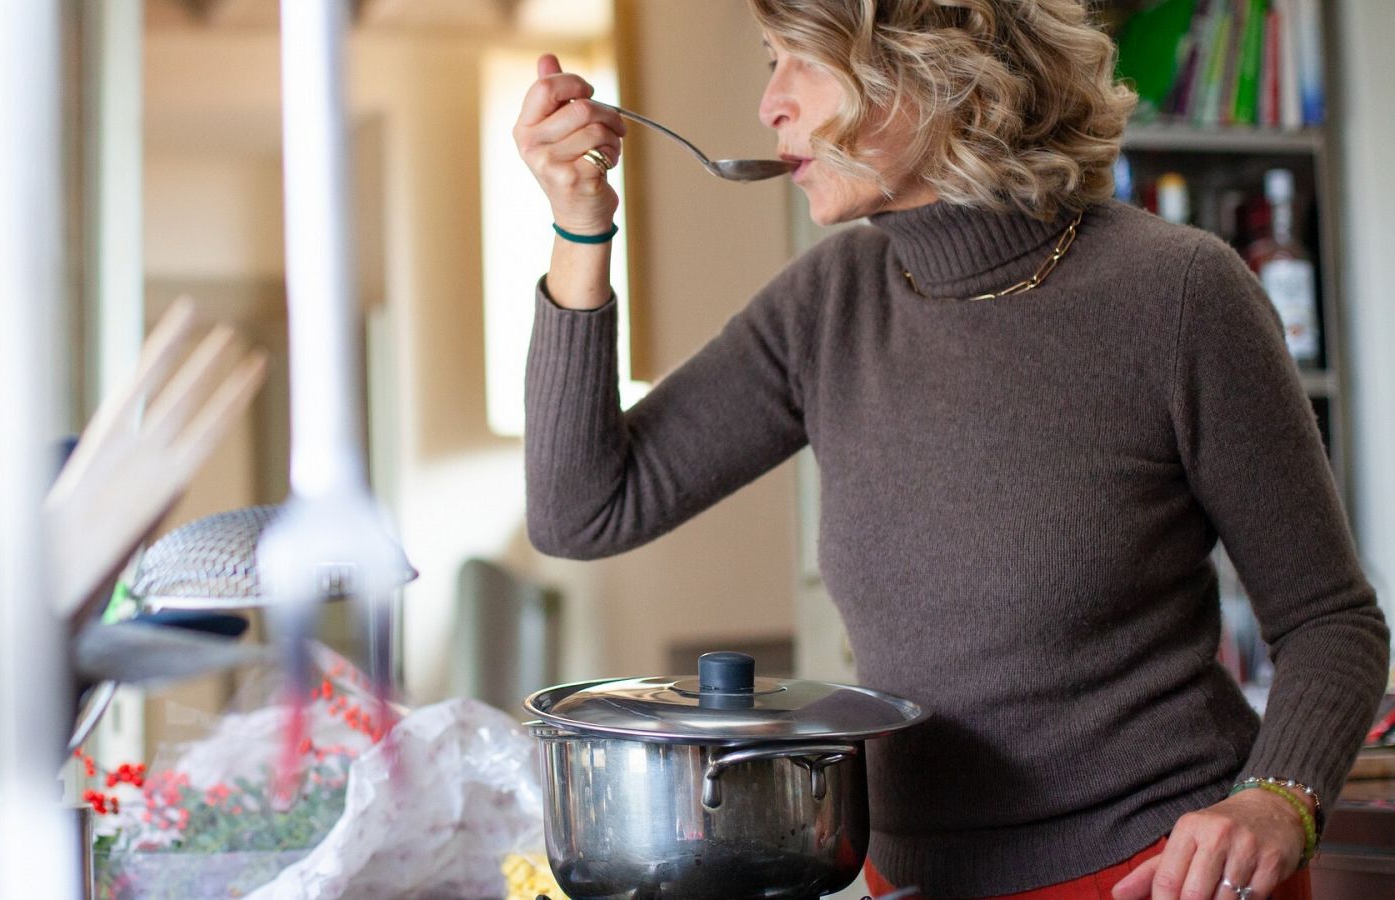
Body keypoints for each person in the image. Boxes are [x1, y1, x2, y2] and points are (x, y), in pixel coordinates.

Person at [512, 1, 1389, 898]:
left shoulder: (1180, 295)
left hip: (1162, 872)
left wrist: (1278, 799)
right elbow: (583, 509)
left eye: (802, 62)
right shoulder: (827, 303)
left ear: (934, 67)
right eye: (769, 63)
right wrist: (581, 227)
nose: (771, 104)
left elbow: (1331, 622)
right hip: (913, 877)